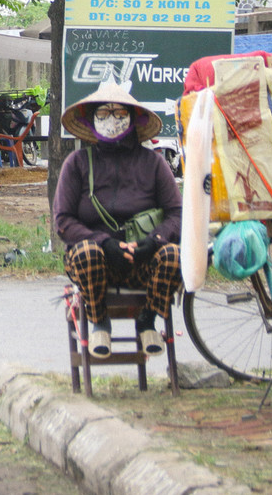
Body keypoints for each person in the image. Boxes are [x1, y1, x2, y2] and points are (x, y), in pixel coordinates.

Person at [52, 82, 182, 358]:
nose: (112, 120)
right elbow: (63, 220)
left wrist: (154, 241)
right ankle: (99, 321)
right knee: (87, 252)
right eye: (104, 114)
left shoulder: (154, 163)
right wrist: (103, 242)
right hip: (95, 261)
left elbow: (176, 214)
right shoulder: (76, 164)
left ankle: (148, 321)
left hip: (144, 260)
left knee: (173, 255)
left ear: (134, 119)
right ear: (91, 119)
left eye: (120, 114)